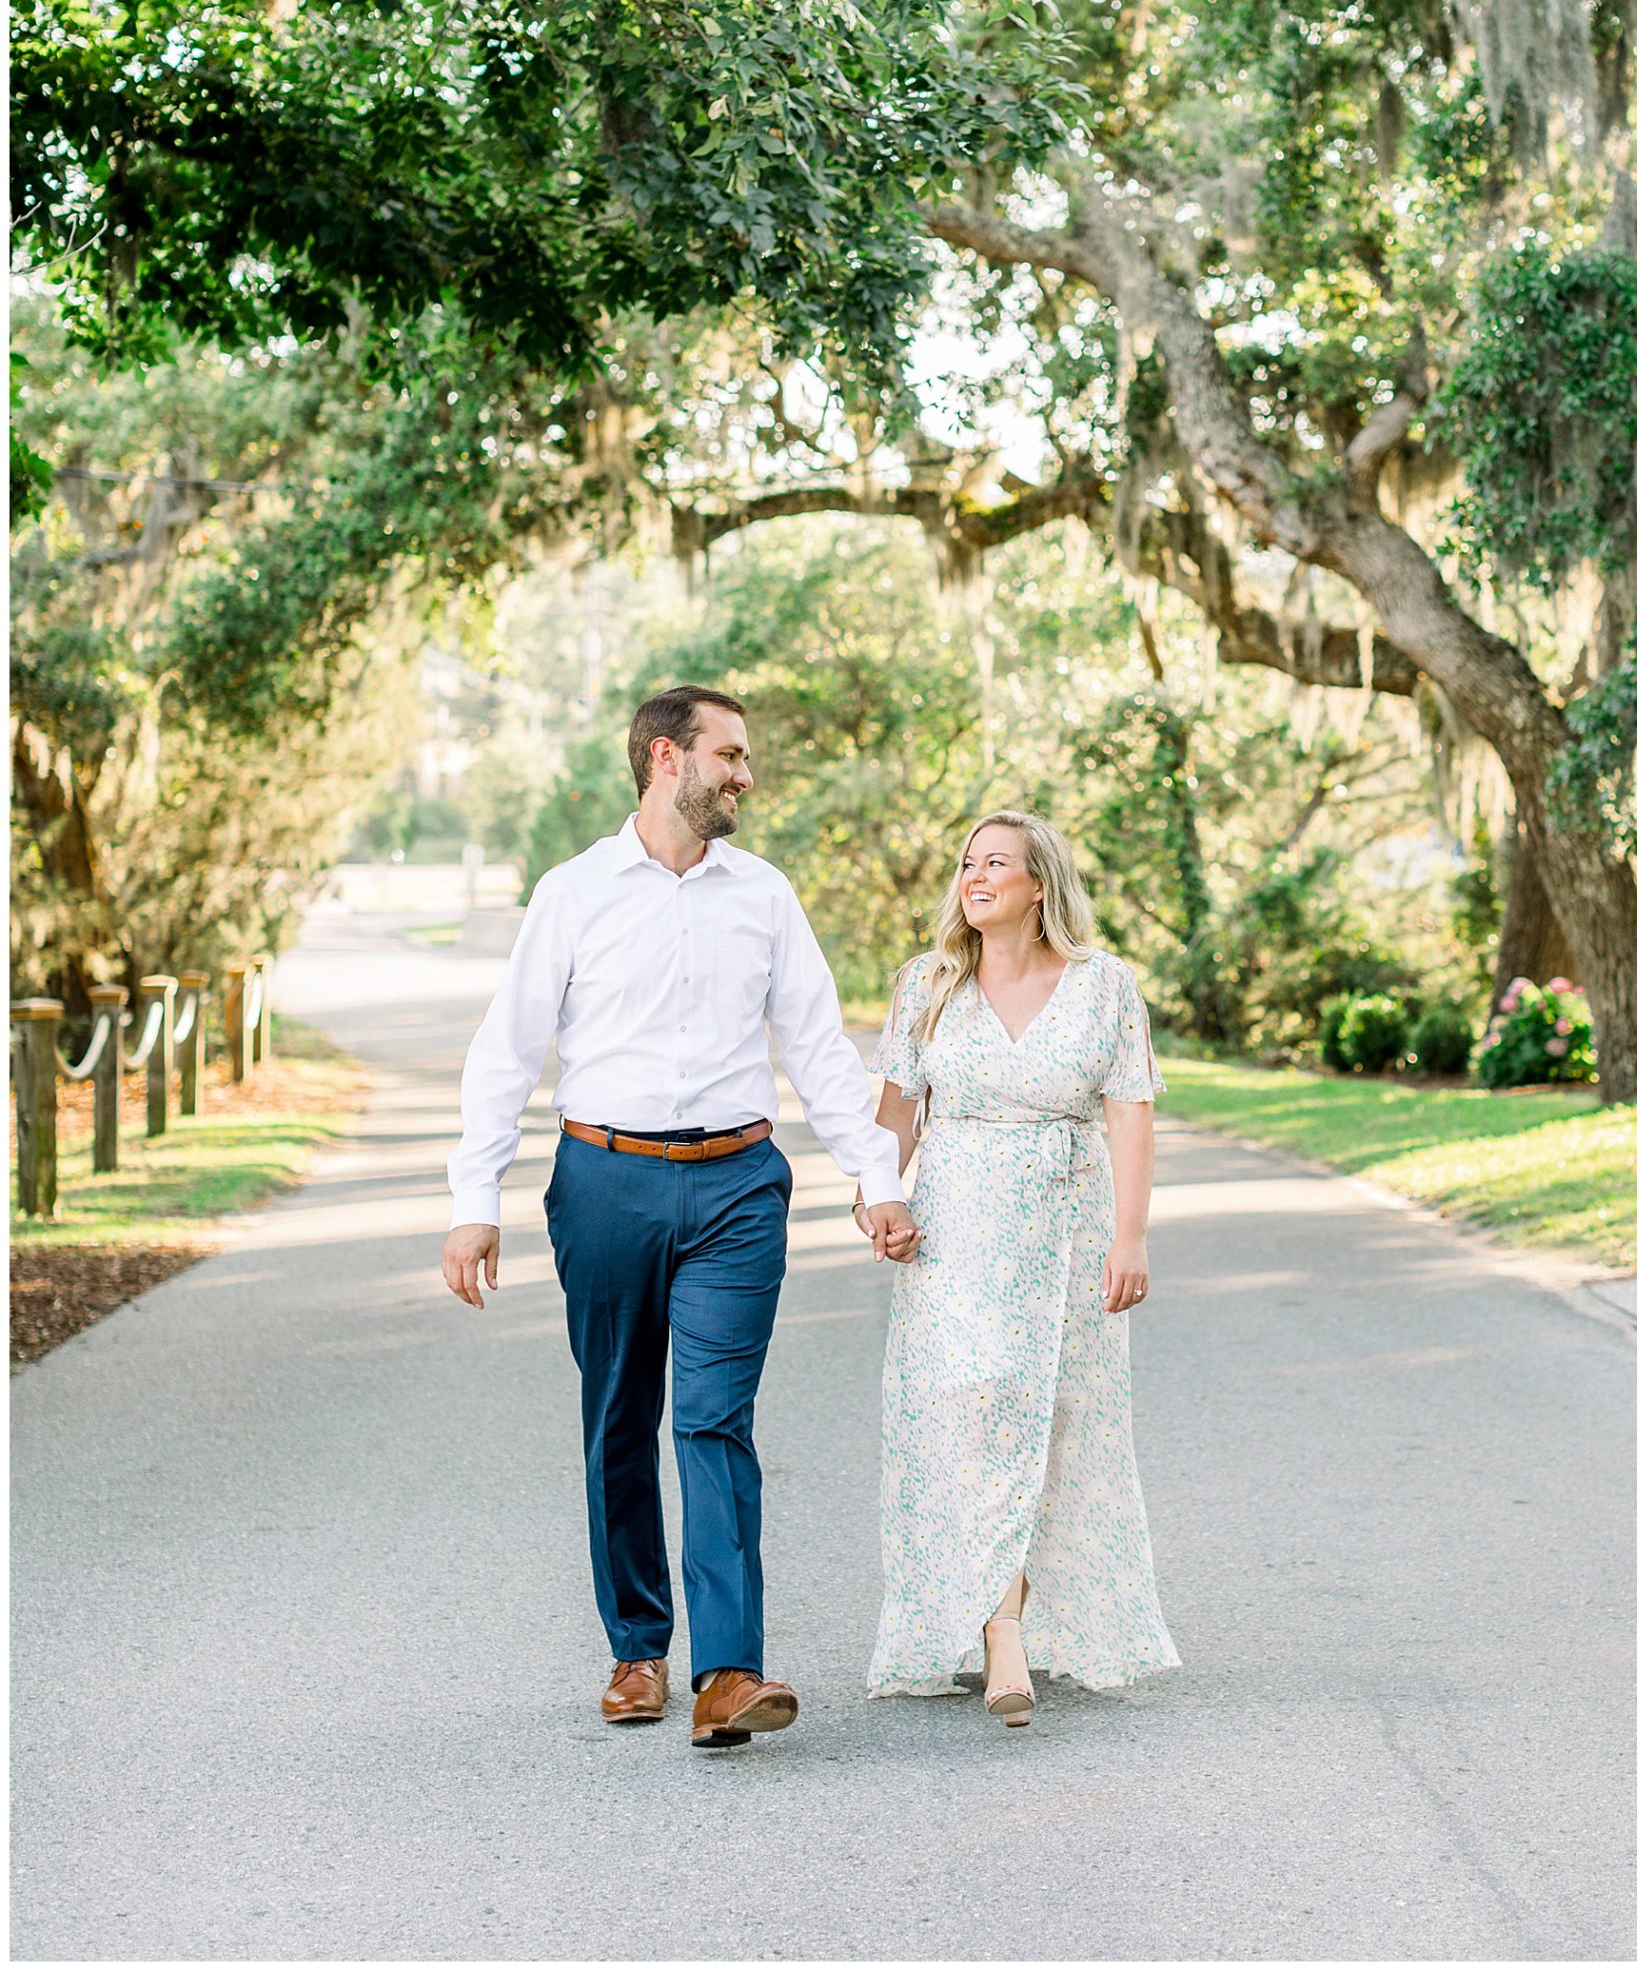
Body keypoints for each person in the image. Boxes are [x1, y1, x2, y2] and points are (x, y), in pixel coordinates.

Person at [441, 685, 919, 1749]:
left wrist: (877, 1175)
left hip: (739, 1187)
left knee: (712, 1416)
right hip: (603, 1179)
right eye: (730, 754)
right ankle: (637, 1649)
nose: (746, 775)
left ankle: (729, 1673)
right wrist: (476, 1201)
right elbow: (507, 1051)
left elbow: (817, 1048)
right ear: (668, 758)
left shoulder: (764, 895)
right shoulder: (572, 894)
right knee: (619, 1416)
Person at [856, 809, 1180, 1722]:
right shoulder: (926, 984)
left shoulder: (1102, 985)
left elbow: (1130, 1112)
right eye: (966, 861)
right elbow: (895, 1118)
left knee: (1054, 1425)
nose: (973, 874)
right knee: (965, 1417)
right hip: (954, 1230)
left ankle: (1022, 1616)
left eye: (995, 861)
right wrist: (874, 1199)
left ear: (1040, 884)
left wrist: (1130, 1235)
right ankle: (1000, 1630)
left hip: (1066, 1233)